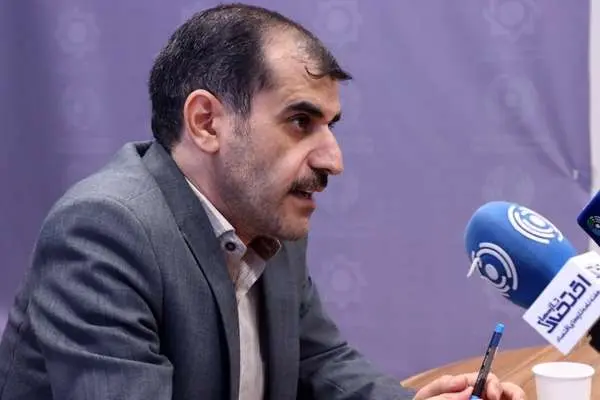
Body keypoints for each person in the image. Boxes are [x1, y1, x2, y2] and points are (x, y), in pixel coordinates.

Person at [0, 3, 525, 400]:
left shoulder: (264, 216)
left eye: (330, 125)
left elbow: (320, 362)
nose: (334, 160)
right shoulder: (104, 231)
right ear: (207, 122)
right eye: (300, 121)